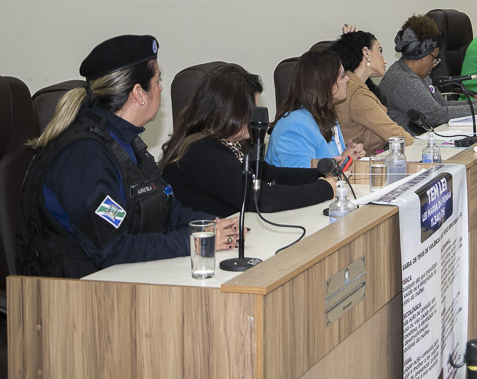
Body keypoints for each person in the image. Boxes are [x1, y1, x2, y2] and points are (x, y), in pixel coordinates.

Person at [16, 34, 239, 279]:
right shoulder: (84, 156)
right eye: (157, 80)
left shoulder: (125, 141)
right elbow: (112, 249)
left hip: (124, 281)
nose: (161, 89)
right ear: (138, 93)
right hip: (76, 296)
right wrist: (196, 241)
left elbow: (166, 212)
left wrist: (212, 226)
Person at [160, 65, 337, 219]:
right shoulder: (203, 152)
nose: (255, 117)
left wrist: (321, 174)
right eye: (251, 109)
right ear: (229, 110)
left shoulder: (231, 143)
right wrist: (324, 189)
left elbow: (271, 174)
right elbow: (260, 199)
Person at [382, 14, 477, 135]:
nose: (435, 64)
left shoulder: (420, 75)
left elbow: (442, 104)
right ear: (420, 57)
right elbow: (435, 115)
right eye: (434, 58)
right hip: (410, 147)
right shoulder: (404, 80)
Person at [266, 49, 366, 169]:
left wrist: (347, 157)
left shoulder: (325, 115)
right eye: (342, 76)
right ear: (326, 84)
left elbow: (330, 163)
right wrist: (344, 161)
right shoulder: (295, 127)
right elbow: (302, 181)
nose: (347, 79)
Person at [329, 30, 413, 153]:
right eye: (380, 51)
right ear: (366, 52)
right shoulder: (357, 93)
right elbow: (398, 137)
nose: (384, 61)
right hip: (362, 164)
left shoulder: (352, 85)